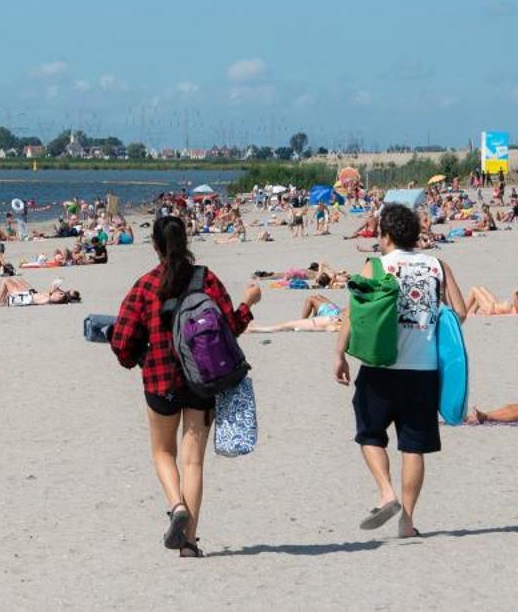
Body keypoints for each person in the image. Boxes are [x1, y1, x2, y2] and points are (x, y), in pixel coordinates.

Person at [109, 215, 258, 557]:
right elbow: (229, 327)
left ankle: (176, 506)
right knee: (193, 463)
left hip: (161, 381)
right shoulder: (205, 279)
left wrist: (138, 360)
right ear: (186, 240)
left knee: (163, 453)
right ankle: (189, 542)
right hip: (202, 381)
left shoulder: (146, 285)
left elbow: (122, 341)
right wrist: (249, 304)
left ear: (155, 246)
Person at [334, 203, 466, 540]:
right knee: (413, 446)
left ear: (386, 235)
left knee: (369, 434)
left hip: (381, 366)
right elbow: (460, 312)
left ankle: (385, 492)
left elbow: (353, 314)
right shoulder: (438, 265)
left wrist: (340, 355)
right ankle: (406, 521)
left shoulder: (375, 266)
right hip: (424, 370)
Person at [249, 293, 344, 333]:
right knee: (317, 296)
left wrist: (302, 328)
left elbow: (326, 329)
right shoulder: (337, 323)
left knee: (281, 326)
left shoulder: (334, 326)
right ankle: (255, 329)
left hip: (328, 316)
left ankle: (255, 329)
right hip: (334, 313)